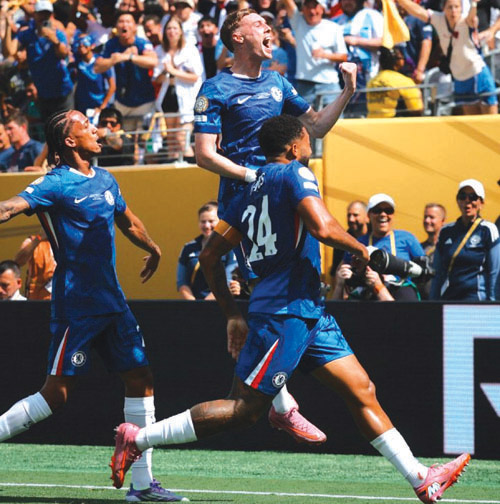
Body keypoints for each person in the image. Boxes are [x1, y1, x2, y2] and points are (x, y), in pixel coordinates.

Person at [110, 114, 471, 504]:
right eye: (308, 139)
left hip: (308, 309)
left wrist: (232, 314)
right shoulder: (296, 173)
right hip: (284, 313)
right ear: (294, 146)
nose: (311, 144)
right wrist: (362, 249)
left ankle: (421, 479)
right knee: (244, 409)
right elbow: (322, 227)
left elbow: (211, 256)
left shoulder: (245, 192)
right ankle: (137, 439)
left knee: (362, 388)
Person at [0, 109, 187, 503]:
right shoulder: (54, 182)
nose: (95, 129)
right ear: (69, 141)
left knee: (141, 379)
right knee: (56, 395)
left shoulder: (105, 178)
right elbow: (9, 207)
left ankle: (142, 486)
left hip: (112, 301)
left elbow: (128, 221)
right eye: (86, 125)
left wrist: (153, 247)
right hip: (77, 304)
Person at [193, 8, 359, 444]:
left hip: (279, 195)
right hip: (244, 203)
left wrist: (347, 91)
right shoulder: (215, 88)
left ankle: (278, 403)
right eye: (257, 23)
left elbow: (315, 126)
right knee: (263, 288)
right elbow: (204, 154)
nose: (268, 28)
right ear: (236, 37)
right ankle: (277, 403)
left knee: (283, 286)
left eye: (268, 23)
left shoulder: (278, 83)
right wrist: (251, 176)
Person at [395, 0, 498, 115]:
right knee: (471, 120)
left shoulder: (466, 21)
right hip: (459, 78)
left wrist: (474, 4)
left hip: (477, 74)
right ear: (443, 9)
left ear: (461, 8)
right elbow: (418, 11)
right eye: (450, 7)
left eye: (456, 7)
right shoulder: (438, 19)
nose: (453, 11)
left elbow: (472, 17)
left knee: (490, 118)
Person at [344, 193, 426, 301]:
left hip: (402, 295)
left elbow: (424, 272)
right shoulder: (359, 243)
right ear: (368, 215)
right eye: (377, 211)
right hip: (368, 297)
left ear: (393, 215)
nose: (383, 214)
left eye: (388, 211)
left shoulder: (407, 238)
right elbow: (347, 272)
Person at [430, 179, 500, 301]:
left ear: (481, 203)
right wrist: (432, 303)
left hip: (476, 299)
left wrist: (493, 303)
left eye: (473, 197)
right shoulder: (445, 231)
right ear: (457, 201)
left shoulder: (488, 230)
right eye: (462, 196)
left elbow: (494, 272)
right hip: (449, 299)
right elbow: (437, 273)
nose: (467, 201)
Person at [4, 1, 73, 121]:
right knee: (49, 127)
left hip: (62, 91)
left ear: (51, 15)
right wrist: (8, 26)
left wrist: (54, 40)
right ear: (34, 14)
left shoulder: (58, 34)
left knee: (67, 126)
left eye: (47, 14)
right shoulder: (28, 34)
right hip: (43, 93)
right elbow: (9, 52)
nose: (43, 17)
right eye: (41, 13)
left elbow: (63, 54)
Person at [95, 11, 158, 132]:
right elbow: (97, 67)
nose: (124, 25)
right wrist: (114, 59)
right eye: (121, 21)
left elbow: (153, 61)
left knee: (142, 139)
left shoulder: (142, 43)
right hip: (122, 102)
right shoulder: (111, 44)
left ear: (135, 27)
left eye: (128, 22)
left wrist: (129, 57)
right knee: (125, 138)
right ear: (116, 27)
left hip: (144, 101)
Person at [154, 16, 203, 161]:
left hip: (187, 97)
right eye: (169, 28)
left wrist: (173, 71)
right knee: (171, 140)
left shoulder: (190, 49)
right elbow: (157, 79)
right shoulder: (160, 50)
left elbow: (195, 76)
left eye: (175, 28)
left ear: (181, 31)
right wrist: (166, 71)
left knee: (182, 138)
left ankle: (191, 167)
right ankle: (173, 168)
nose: (172, 31)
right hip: (168, 96)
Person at [282, 0, 347, 107]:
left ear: (322, 9)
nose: (312, 11)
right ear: (303, 9)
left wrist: (324, 55)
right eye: (308, 7)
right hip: (304, 85)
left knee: (337, 117)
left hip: (329, 84)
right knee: (302, 118)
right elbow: (288, 2)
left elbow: (343, 56)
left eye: (315, 7)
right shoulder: (298, 22)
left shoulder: (334, 28)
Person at [177, 200, 238, 300]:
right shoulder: (188, 248)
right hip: (193, 306)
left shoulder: (230, 248)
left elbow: (228, 281)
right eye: (203, 221)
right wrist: (193, 304)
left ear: (221, 222)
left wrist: (206, 304)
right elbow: (182, 282)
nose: (206, 225)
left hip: (220, 305)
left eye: (211, 221)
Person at [367, 46, 424, 118]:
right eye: (402, 58)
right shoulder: (404, 81)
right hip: (394, 122)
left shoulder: (372, 81)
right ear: (397, 61)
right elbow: (416, 109)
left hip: (372, 122)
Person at [73, 34, 116, 117]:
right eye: (79, 44)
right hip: (82, 105)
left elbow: (112, 86)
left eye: (85, 43)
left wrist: (102, 106)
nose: (81, 46)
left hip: (99, 104)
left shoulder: (101, 62)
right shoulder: (77, 62)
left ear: (92, 45)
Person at [330, 200, 369, 280]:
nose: (351, 219)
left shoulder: (375, 236)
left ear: (367, 217)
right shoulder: (342, 241)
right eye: (349, 215)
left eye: (355, 215)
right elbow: (335, 272)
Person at [14, 229, 56, 300]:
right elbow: (18, 262)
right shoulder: (33, 241)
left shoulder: (67, 243)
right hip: (39, 299)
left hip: (63, 297)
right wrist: (38, 238)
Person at [417, 203, 446, 300]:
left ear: (442, 221)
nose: (427, 221)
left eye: (431, 217)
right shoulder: (418, 248)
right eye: (425, 217)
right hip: (421, 302)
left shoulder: (448, 248)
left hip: (442, 300)